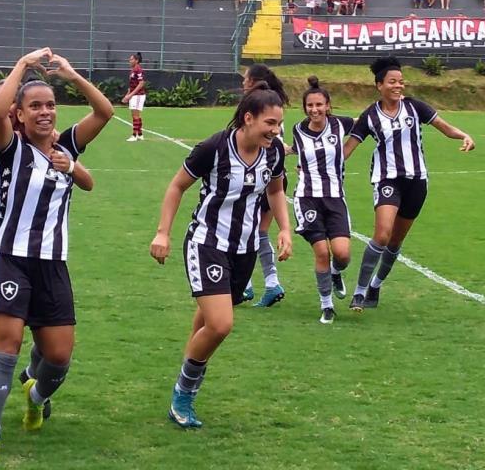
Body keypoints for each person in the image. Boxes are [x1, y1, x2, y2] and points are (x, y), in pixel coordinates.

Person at [0, 48, 113, 466]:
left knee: (58, 358)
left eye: (50, 105)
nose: (45, 112)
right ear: (20, 114)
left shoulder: (68, 145)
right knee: (7, 348)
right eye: (34, 106)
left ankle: (34, 398)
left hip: (53, 263)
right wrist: (22, 64)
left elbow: (104, 112)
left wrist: (71, 74)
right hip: (10, 258)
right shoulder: (9, 147)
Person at [150, 83, 292, 429]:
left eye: (279, 124)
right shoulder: (213, 148)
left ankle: (183, 387)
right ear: (248, 118)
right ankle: (183, 394)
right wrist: (162, 232)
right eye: (269, 123)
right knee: (220, 324)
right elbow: (176, 186)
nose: (275, 131)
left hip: (244, 250)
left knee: (205, 323)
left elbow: (275, 191)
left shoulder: (273, 153)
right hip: (207, 243)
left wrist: (285, 229)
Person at [343, 56, 474, 313]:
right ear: (379, 85)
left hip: (417, 182)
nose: (398, 86)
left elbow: (445, 128)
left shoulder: (415, 107)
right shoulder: (370, 115)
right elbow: (348, 149)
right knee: (382, 234)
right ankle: (359, 291)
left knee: (395, 242)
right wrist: (319, 164)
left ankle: (375, 287)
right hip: (388, 179)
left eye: (401, 82)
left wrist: (464, 135)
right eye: (392, 82)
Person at [291, 77, 353, 324]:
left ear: (328, 105)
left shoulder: (340, 125)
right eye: (310, 105)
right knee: (321, 252)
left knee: (342, 254)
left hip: (335, 197)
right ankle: (326, 305)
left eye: (319, 105)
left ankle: (337, 273)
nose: (315, 110)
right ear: (305, 108)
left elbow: (367, 123)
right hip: (307, 198)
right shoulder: (297, 129)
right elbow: (294, 149)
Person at [239, 64, 292, 308]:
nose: (242, 82)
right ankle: (258, 284)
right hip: (270, 172)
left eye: (246, 78)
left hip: (264, 174)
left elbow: (270, 139)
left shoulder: (259, 104)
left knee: (252, 231)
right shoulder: (271, 100)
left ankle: (259, 284)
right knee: (253, 231)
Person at [122, 52, 146, 142]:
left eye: (131, 59)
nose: (129, 60)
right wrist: (127, 95)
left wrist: (131, 95)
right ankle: (139, 134)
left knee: (135, 115)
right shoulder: (133, 70)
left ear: (137, 60)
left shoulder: (138, 69)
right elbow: (131, 85)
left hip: (138, 95)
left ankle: (134, 135)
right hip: (134, 95)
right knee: (135, 115)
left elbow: (141, 83)